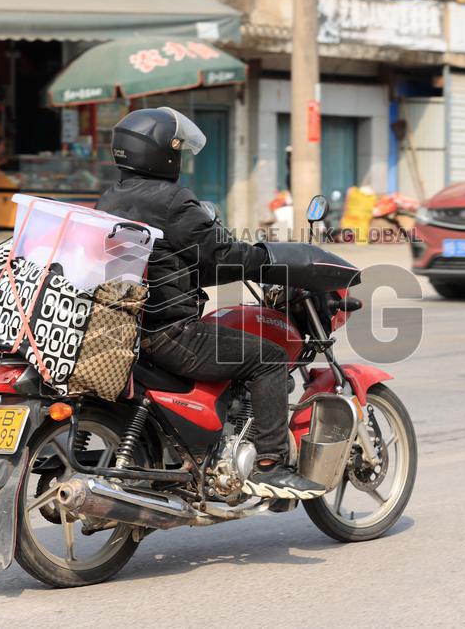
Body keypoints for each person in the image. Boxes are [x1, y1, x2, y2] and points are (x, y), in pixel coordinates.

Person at [97, 107, 326, 501]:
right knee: (268, 357)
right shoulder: (171, 200)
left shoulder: (112, 197)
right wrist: (270, 260)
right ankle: (273, 466)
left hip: (127, 331)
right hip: (170, 333)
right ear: (161, 153)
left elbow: (178, 259)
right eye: (178, 150)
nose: (181, 158)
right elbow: (222, 255)